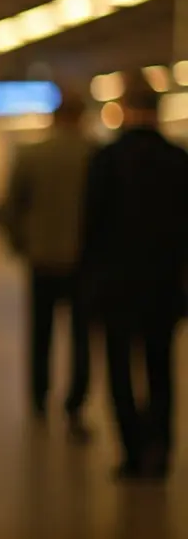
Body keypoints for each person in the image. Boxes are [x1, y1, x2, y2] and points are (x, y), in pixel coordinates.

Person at [80, 70, 188, 481]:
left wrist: (89, 286)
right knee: (161, 369)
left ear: (123, 110)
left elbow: (91, 229)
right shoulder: (179, 160)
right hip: (163, 285)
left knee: (121, 370)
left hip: (117, 285)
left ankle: (131, 450)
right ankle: (161, 450)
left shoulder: (106, 161)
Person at [3, 90, 95, 439]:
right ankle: (75, 401)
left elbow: (13, 205)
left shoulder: (32, 155)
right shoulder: (94, 155)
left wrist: (19, 242)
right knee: (82, 336)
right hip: (84, 260)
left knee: (40, 332)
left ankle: (38, 397)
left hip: (41, 257)